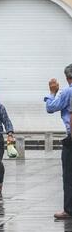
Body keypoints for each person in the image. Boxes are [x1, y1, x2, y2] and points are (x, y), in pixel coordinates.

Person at [43, 64, 72, 219]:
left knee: (68, 175)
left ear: (67, 78)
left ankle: (68, 209)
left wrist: (52, 92)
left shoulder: (67, 91)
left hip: (71, 138)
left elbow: (51, 107)